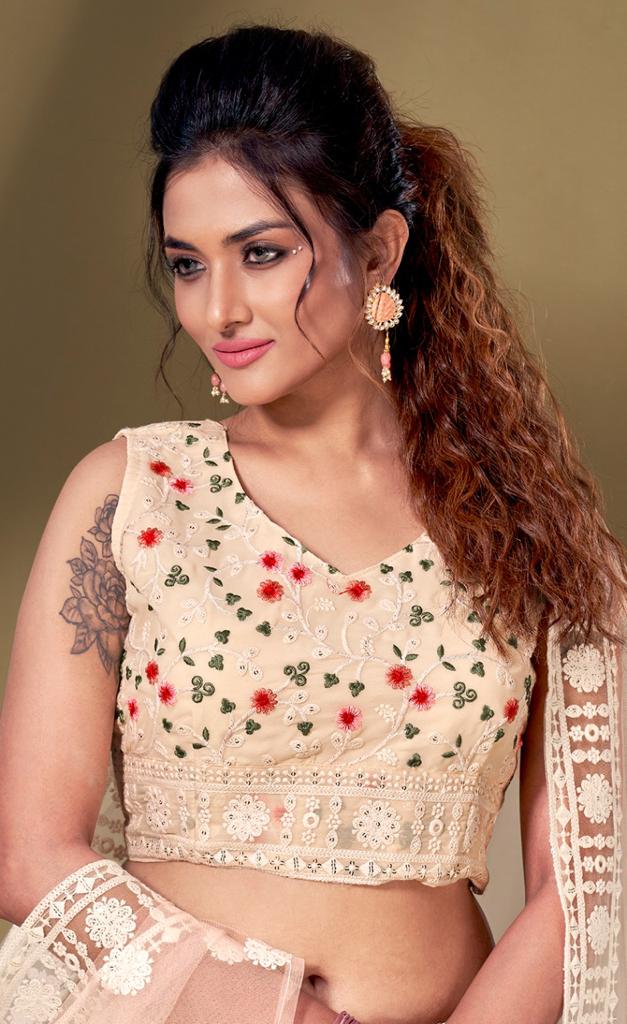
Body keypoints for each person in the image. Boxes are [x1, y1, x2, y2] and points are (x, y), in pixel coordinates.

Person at [0, 21, 625, 1024]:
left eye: (260, 253)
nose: (218, 309)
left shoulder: (525, 523)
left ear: (377, 252)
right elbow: (30, 854)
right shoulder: (132, 496)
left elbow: (590, 875)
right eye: (188, 265)